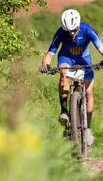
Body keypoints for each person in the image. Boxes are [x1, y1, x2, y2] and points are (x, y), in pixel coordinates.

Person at [40, 9, 103, 146]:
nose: (71, 33)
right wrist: (45, 63)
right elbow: (50, 53)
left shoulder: (87, 29)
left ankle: (88, 129)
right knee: (63, 74)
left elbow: (100, 47)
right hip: (66, 58)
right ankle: (64, 111)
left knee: (88, 92)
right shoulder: (61, 32)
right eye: (68, 30)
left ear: (78, 24)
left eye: (73, 30)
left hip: (84, 59)